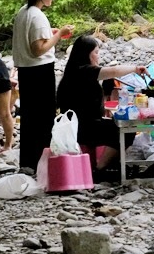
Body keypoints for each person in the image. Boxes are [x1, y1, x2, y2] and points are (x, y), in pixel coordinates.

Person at [57, 35, 148, 171]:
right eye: (96, 53)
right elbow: (113, 71)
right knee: (127, 130)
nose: (98, 57)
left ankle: (101, 165)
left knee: (114, 125)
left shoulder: (72, 71)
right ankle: (101, 168)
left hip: (79, 126)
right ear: (86, 53)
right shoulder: (84, 71)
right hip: (84, 129)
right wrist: (135, 68)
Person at [12, 0, 73, 172]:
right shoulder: (38, 15)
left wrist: (51, 33)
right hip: (39, 71)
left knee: (30, 117)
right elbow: (38, 49)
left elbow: (33, 38)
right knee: (44, 118)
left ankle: (28, 162)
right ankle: (42, 164)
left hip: (25, 71)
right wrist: (58, 34)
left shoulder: (24, 12)